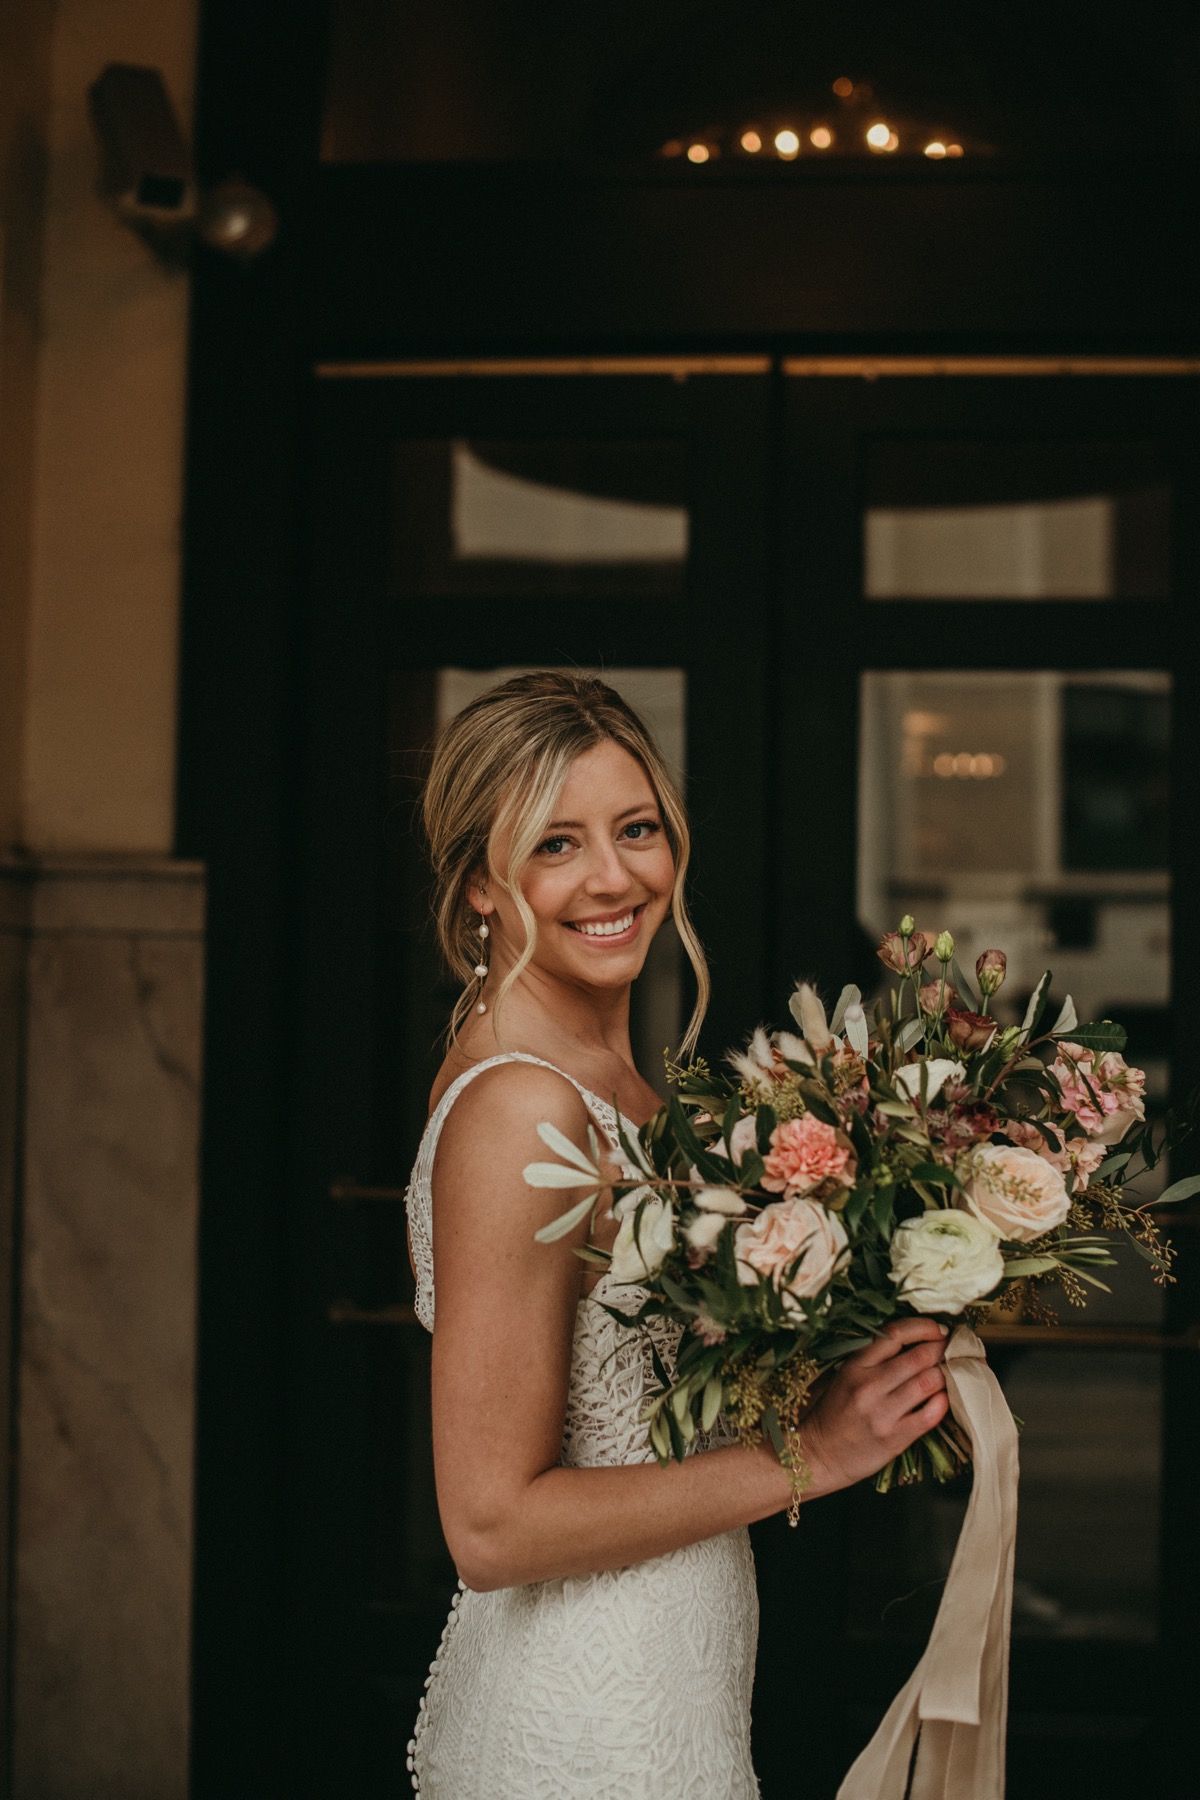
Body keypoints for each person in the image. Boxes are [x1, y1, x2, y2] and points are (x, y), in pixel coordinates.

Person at [403, 671, 949, 1797]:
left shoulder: (621, 1089)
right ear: (479, 889)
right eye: (556, 845)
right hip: (584, 1725)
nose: (614, 877)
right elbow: (492, 1526)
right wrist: (812, 1455)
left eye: (637, 828)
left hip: (672, 1686)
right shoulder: (522, 1108)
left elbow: (655, 1413)